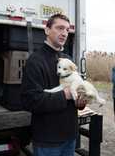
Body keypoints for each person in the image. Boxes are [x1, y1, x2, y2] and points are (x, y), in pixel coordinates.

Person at [21, 13, 86, 156]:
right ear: (47, 30)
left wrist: (81, 102)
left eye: (67, 30)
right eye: (60, 28)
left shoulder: (68, 59)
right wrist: (66, 95)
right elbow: (30, 101)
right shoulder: (35, 61)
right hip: (48, 140)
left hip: (70, 136)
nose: (64, 33)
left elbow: (77, 98)